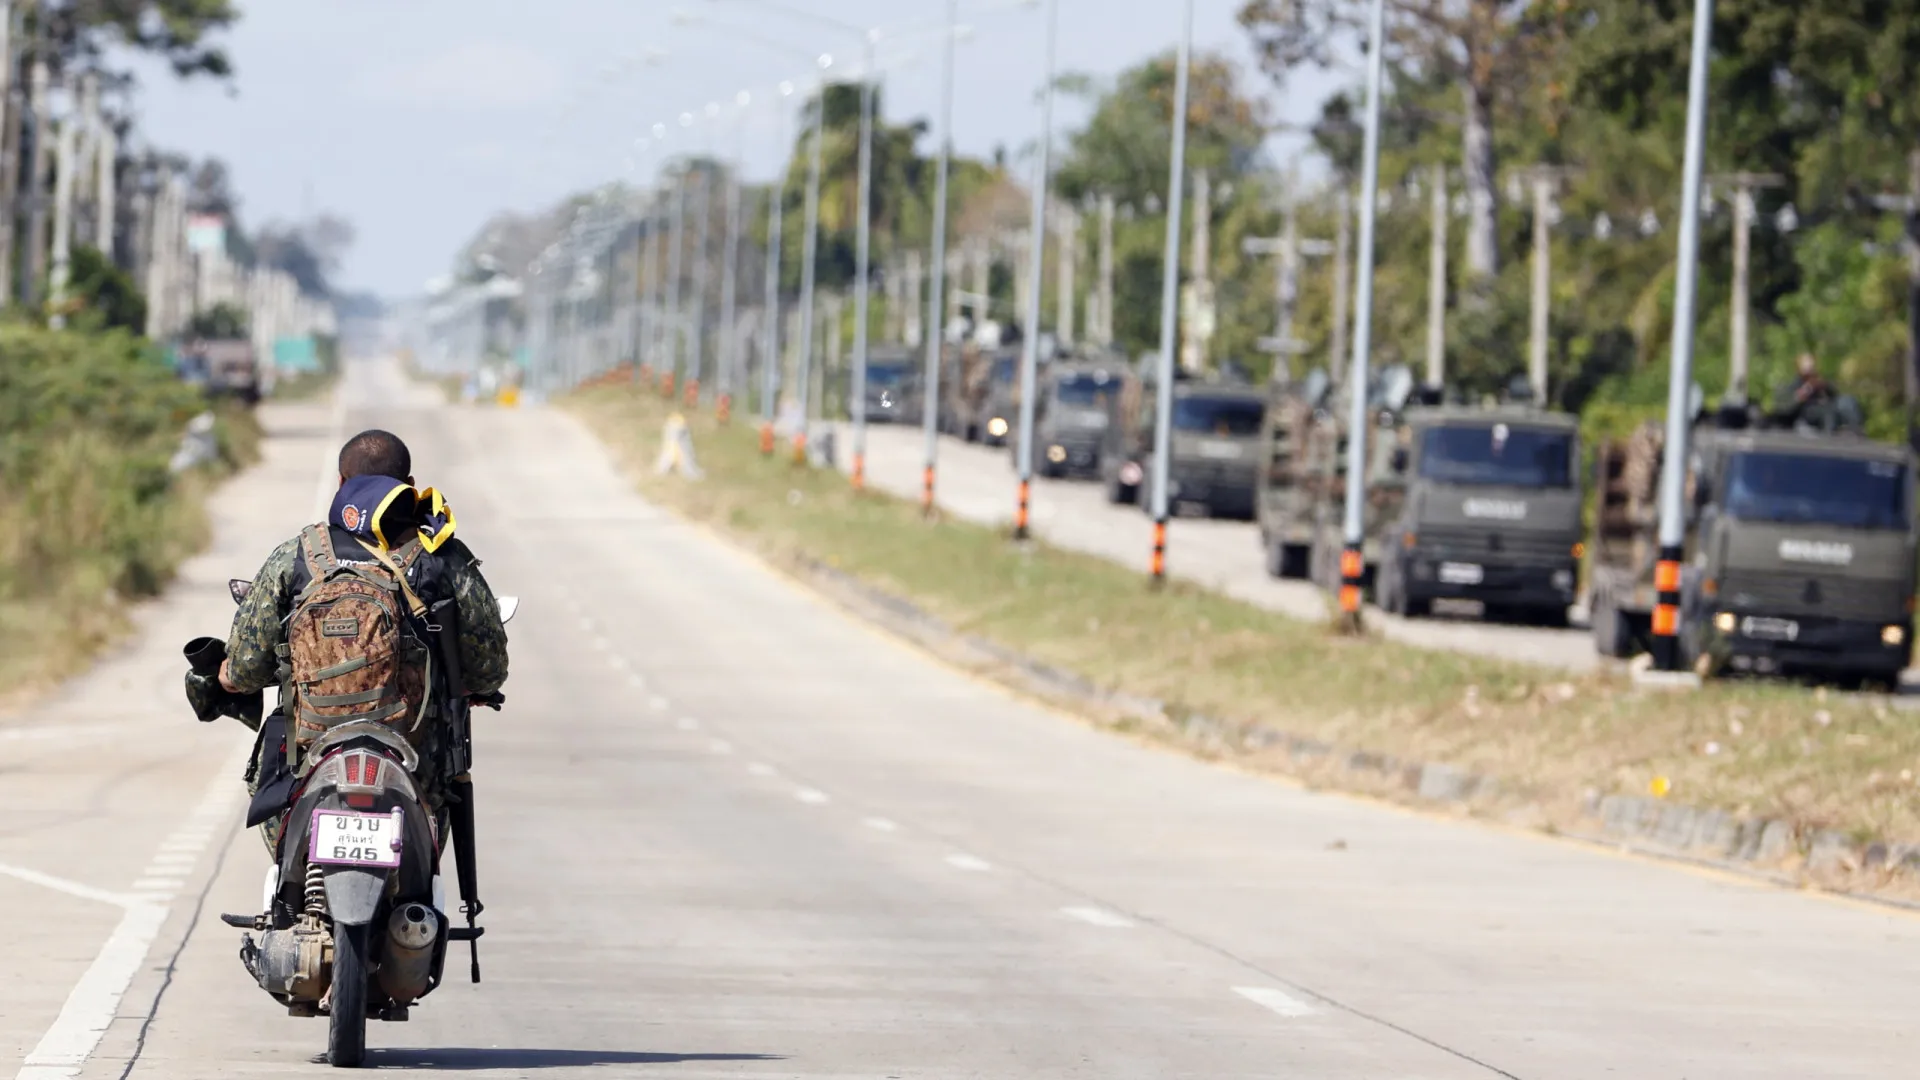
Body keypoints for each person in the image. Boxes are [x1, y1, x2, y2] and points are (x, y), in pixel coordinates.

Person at [219, 429, 509, 847]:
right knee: (438, 798)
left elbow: (247, 667)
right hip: (416, 761)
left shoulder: (298, 555)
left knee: (271, 785)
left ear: (341, 483)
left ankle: (287, 897)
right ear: (409, 489)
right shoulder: (441, 556)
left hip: (312, 752)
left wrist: (226, 676)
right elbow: (489, 668)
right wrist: (473, 686)